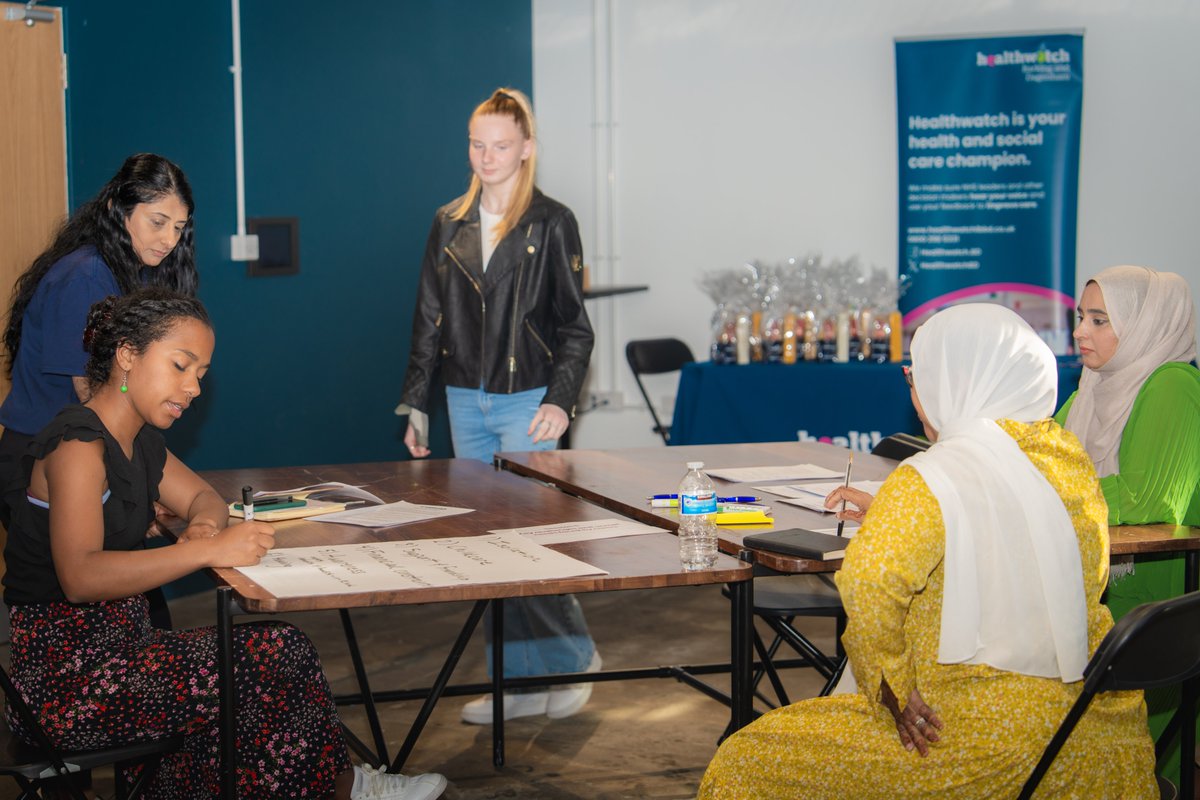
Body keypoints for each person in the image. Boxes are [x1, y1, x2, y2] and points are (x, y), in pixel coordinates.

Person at [3, 288, 447, 800]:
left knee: (270, 656)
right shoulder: (78, 445)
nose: (193, 387)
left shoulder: (139, 439)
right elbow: (80, 578)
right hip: (67, 685)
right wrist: (205, 551)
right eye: (180, 366)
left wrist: (203, 529)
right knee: (276, 653)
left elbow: (204, 499)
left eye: (201, 374)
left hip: (124, 653)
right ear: (127, 355)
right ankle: (345, 789)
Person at [698, 304, 1156, 799]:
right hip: (1097, 742)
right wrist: (892, 512)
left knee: (747, 758)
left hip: (978, 745)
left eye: (917, 376)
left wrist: (892, 687)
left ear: (955, 383)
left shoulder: (928, 478)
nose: (914, 392)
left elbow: (869, 583)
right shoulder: (1069, 463)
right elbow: (1023, 536)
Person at [396, 88, 598, 725]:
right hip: (464, 399)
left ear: (526, 148)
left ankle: (573, 659)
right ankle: (516, 683)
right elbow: (428, 318)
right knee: (489, 545)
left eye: (501, 145)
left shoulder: (552, 222)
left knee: (533, 541)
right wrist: (415, 402)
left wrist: (561, 400)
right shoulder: (448, 222)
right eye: (477, 144)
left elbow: (576, 327)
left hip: (528, 399)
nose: (487, 156)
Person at [0, 153, 201, 633]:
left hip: (88, 455)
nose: (168, 239)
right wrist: (132, 487)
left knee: (143, 616)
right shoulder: (87, 274)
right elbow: (94, 393)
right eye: (157, 221)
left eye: (179, 228)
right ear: (117, 208)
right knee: (99, 614)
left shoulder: (126, 267)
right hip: (43, 461)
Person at [1055, 265, 1200, 777]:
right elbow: (1040, 457)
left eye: (1099, 320)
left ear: (1145, 324)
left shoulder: (1173, 383)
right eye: (1081, 317)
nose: (1080, 332)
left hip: (1149, 597)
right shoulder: (1094, 386)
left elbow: (1146, 500)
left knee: (1119, 757)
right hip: (1098, 582)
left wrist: (1040, 494)